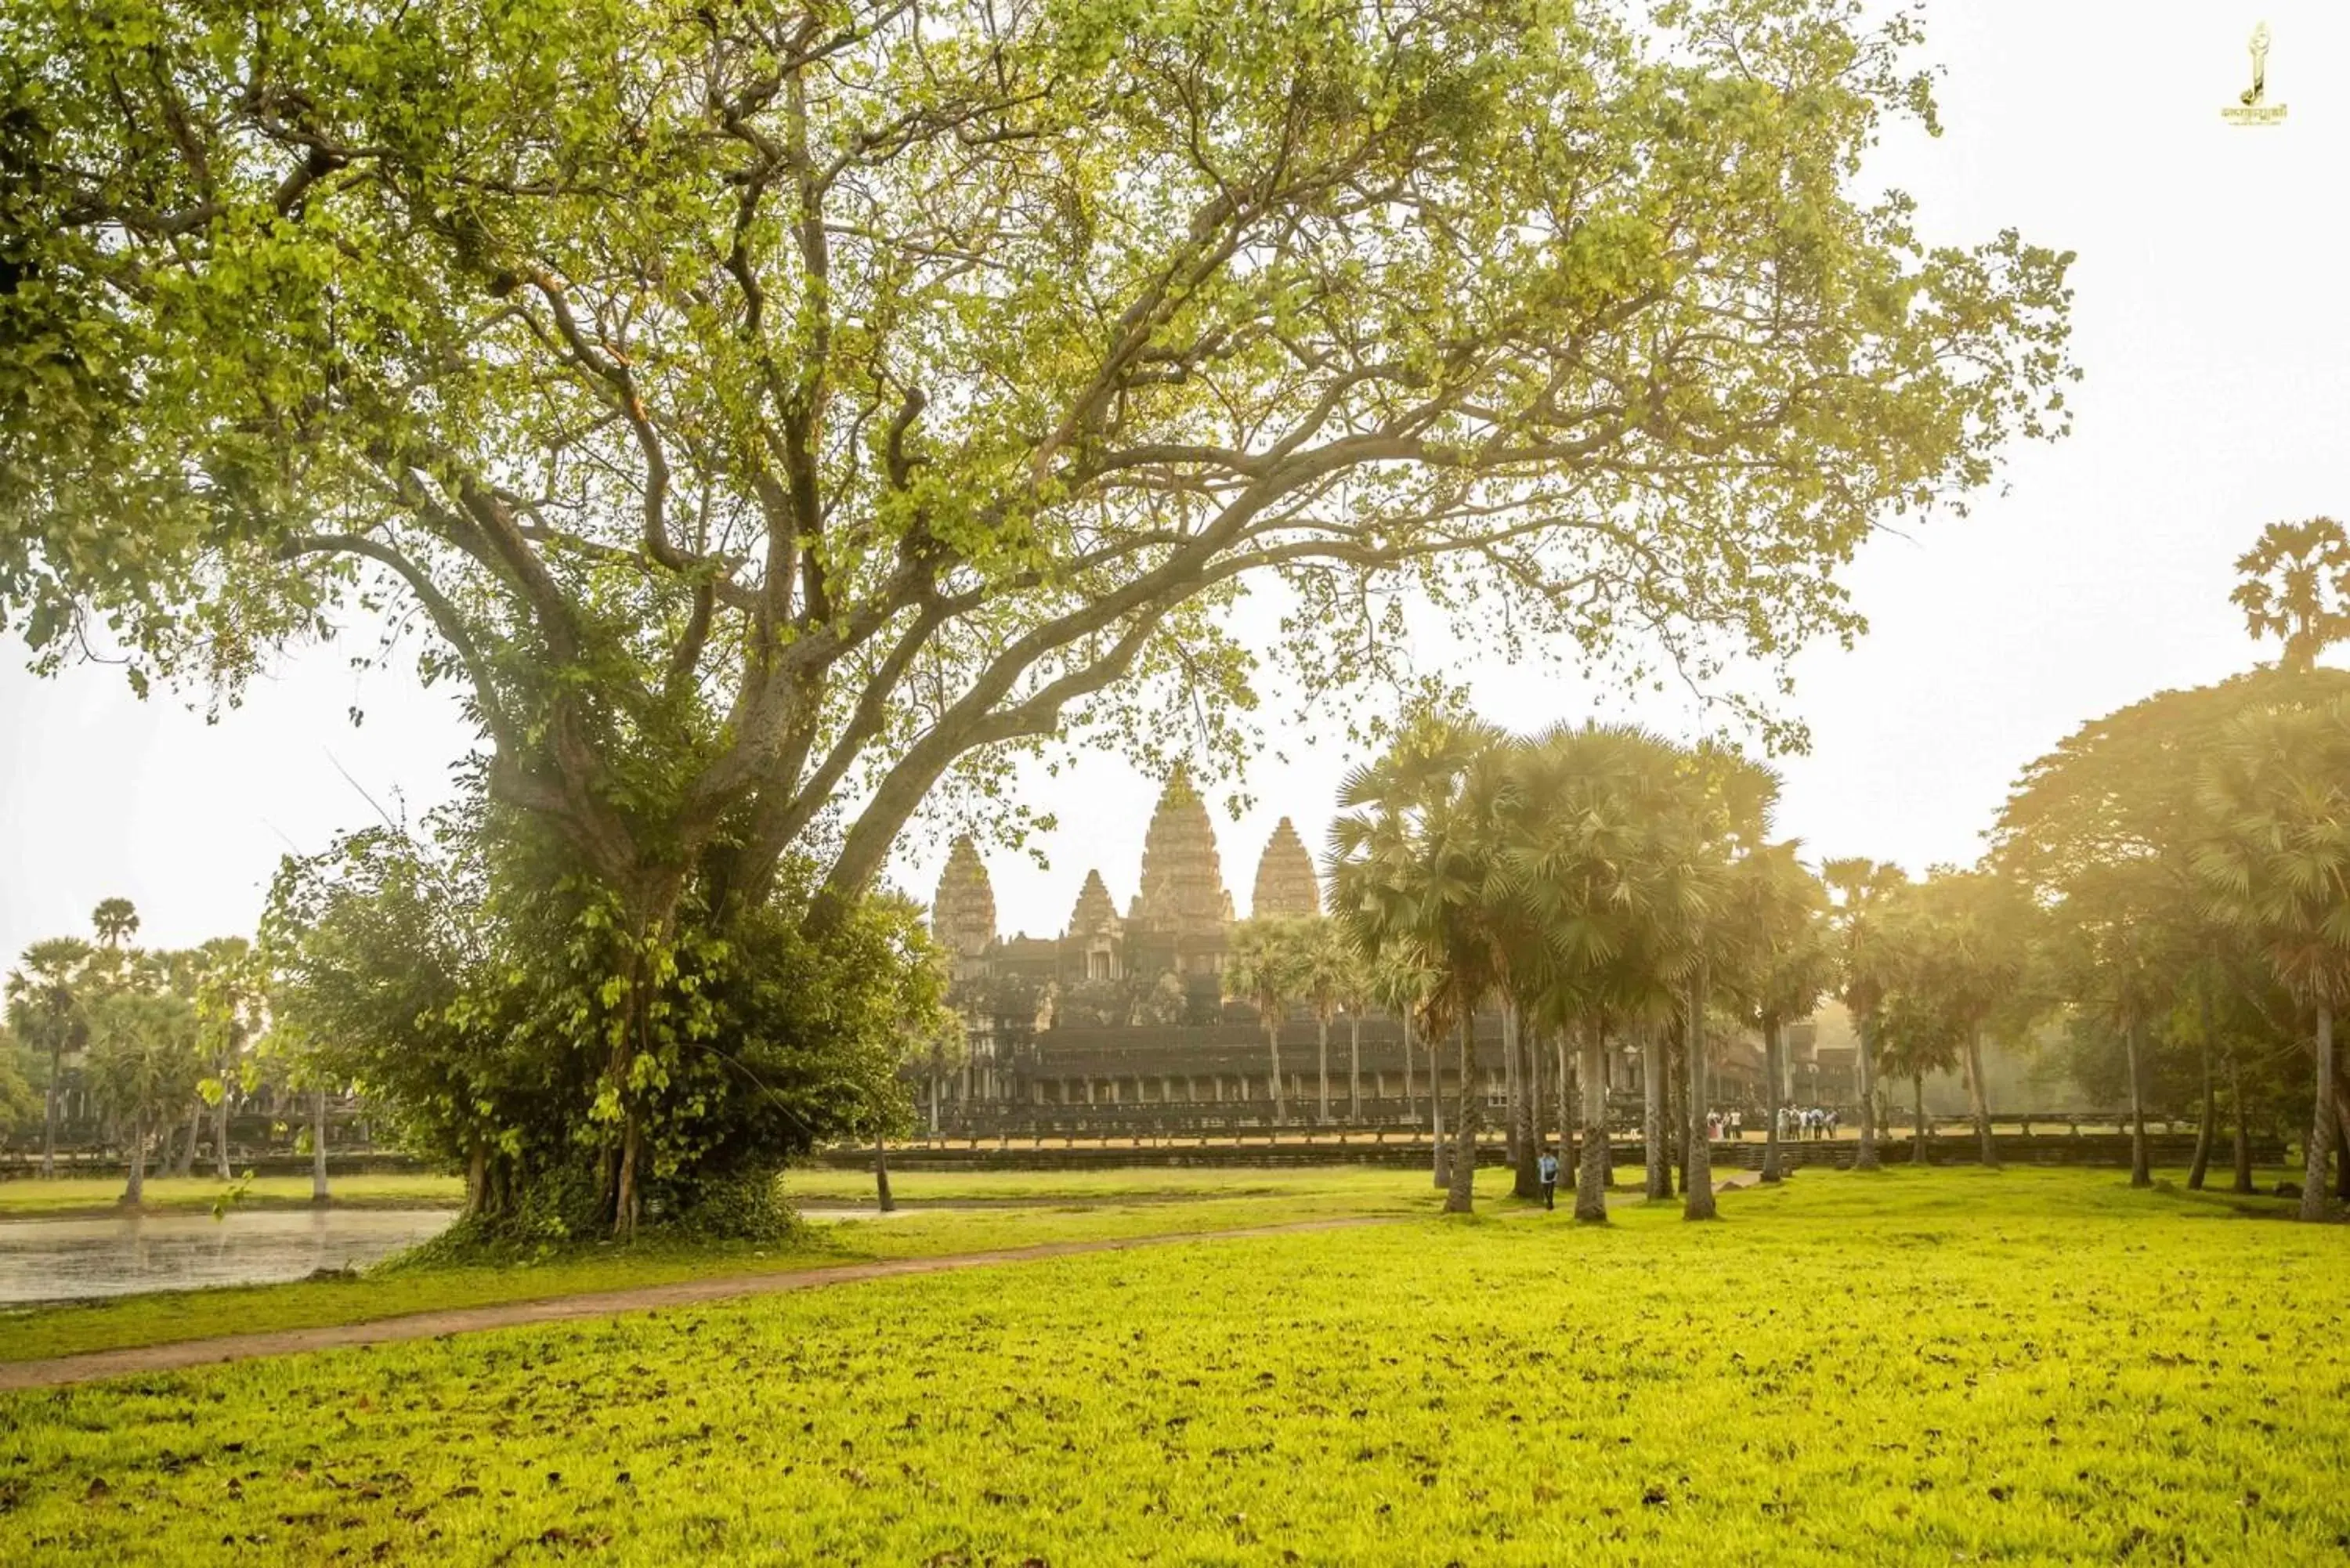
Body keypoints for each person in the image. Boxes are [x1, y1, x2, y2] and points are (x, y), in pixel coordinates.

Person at [1537, 1147, 1560, 1211]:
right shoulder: (1541, 1160)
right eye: (1544, 1153)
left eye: (1547, 1153)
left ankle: (1549, 1206)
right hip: (1543, 1178)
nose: (1546, 1155)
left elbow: (1557, 1168)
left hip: (1552, 1178)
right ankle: (1550, 1203)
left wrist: (1555, 1174)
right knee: (1545, 1192)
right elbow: (1538, 1168)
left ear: (1549, 1153)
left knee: (1551, 1192)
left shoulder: (1553, 1160)